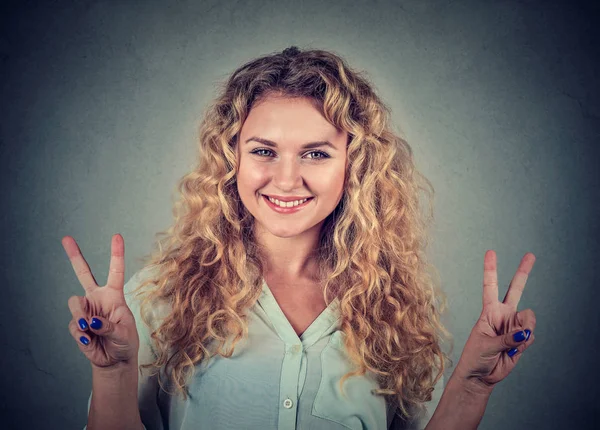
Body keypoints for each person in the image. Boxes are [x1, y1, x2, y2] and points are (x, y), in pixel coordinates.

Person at [63, 46, 537, 430]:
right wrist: (112, 373)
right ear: (232, 160)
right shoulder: (156, 301)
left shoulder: (394, 312)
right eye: (264, 150)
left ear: (354, 165)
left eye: (315, 153)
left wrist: (473, 387)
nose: (286, 180)